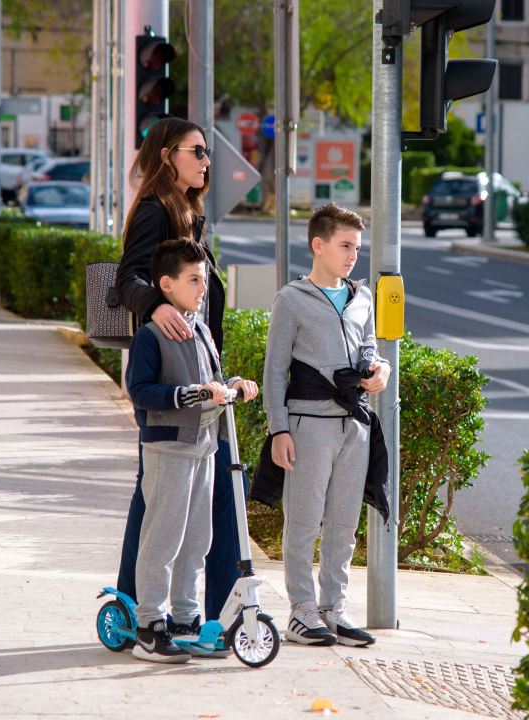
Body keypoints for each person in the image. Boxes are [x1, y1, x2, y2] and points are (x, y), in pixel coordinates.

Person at [113, 117, 252, 647]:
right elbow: (128, 277)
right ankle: (173, 615)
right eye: (197, 151)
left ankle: (160, 612)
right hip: (171, 379)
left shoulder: (187, 212)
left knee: (171, 507)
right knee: (184, 505)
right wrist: (157, 308)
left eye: (206, 152)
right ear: (168, 155)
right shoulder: (155, 209)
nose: (206, 160)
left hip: (200, 375)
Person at [262, 203, 391, 648]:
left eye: (357, 247)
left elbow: (369, 346)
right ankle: (301, 612)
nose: (354, 255)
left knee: (342, 524)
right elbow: (275, 370)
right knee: (303, 521)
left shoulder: (363, 297)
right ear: (318, 246)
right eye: (345, 246)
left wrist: (380, 368)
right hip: (308, 426)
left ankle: (334, 609)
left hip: (354, 427)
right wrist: (279, 429)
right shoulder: (291, 300)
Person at [124, 238, 259, 663]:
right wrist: (191, 394)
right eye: (195, 280)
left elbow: (212, 379)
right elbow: (141, 391)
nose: (204, 288)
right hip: (168, 450)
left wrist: (234, 385)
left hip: (203, 449)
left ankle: (185, 618)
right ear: (165, 284)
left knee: (196, 539)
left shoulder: (200, 329)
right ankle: (150, 624)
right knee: (163, 537)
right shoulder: (151, 335)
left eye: (205, 279)